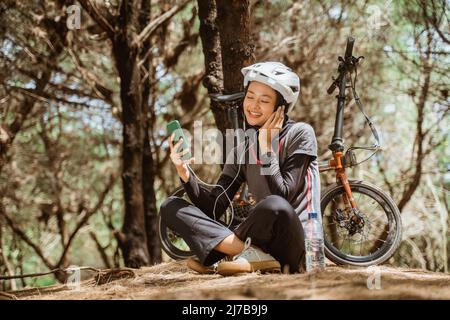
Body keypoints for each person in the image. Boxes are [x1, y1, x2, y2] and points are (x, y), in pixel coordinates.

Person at [159, 62, 321, 276]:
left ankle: (230, 253)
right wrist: (184, 172)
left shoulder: (300, 134)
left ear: (280, 107)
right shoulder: (243, 149)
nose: (253, 106)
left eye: (264, 100)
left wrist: (266, 149)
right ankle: (248, 254)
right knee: (171, 206)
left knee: (274, 205)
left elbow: (284, 195)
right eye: (250, 96)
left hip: (300, 248)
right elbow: (214, 207)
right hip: (260, 244)